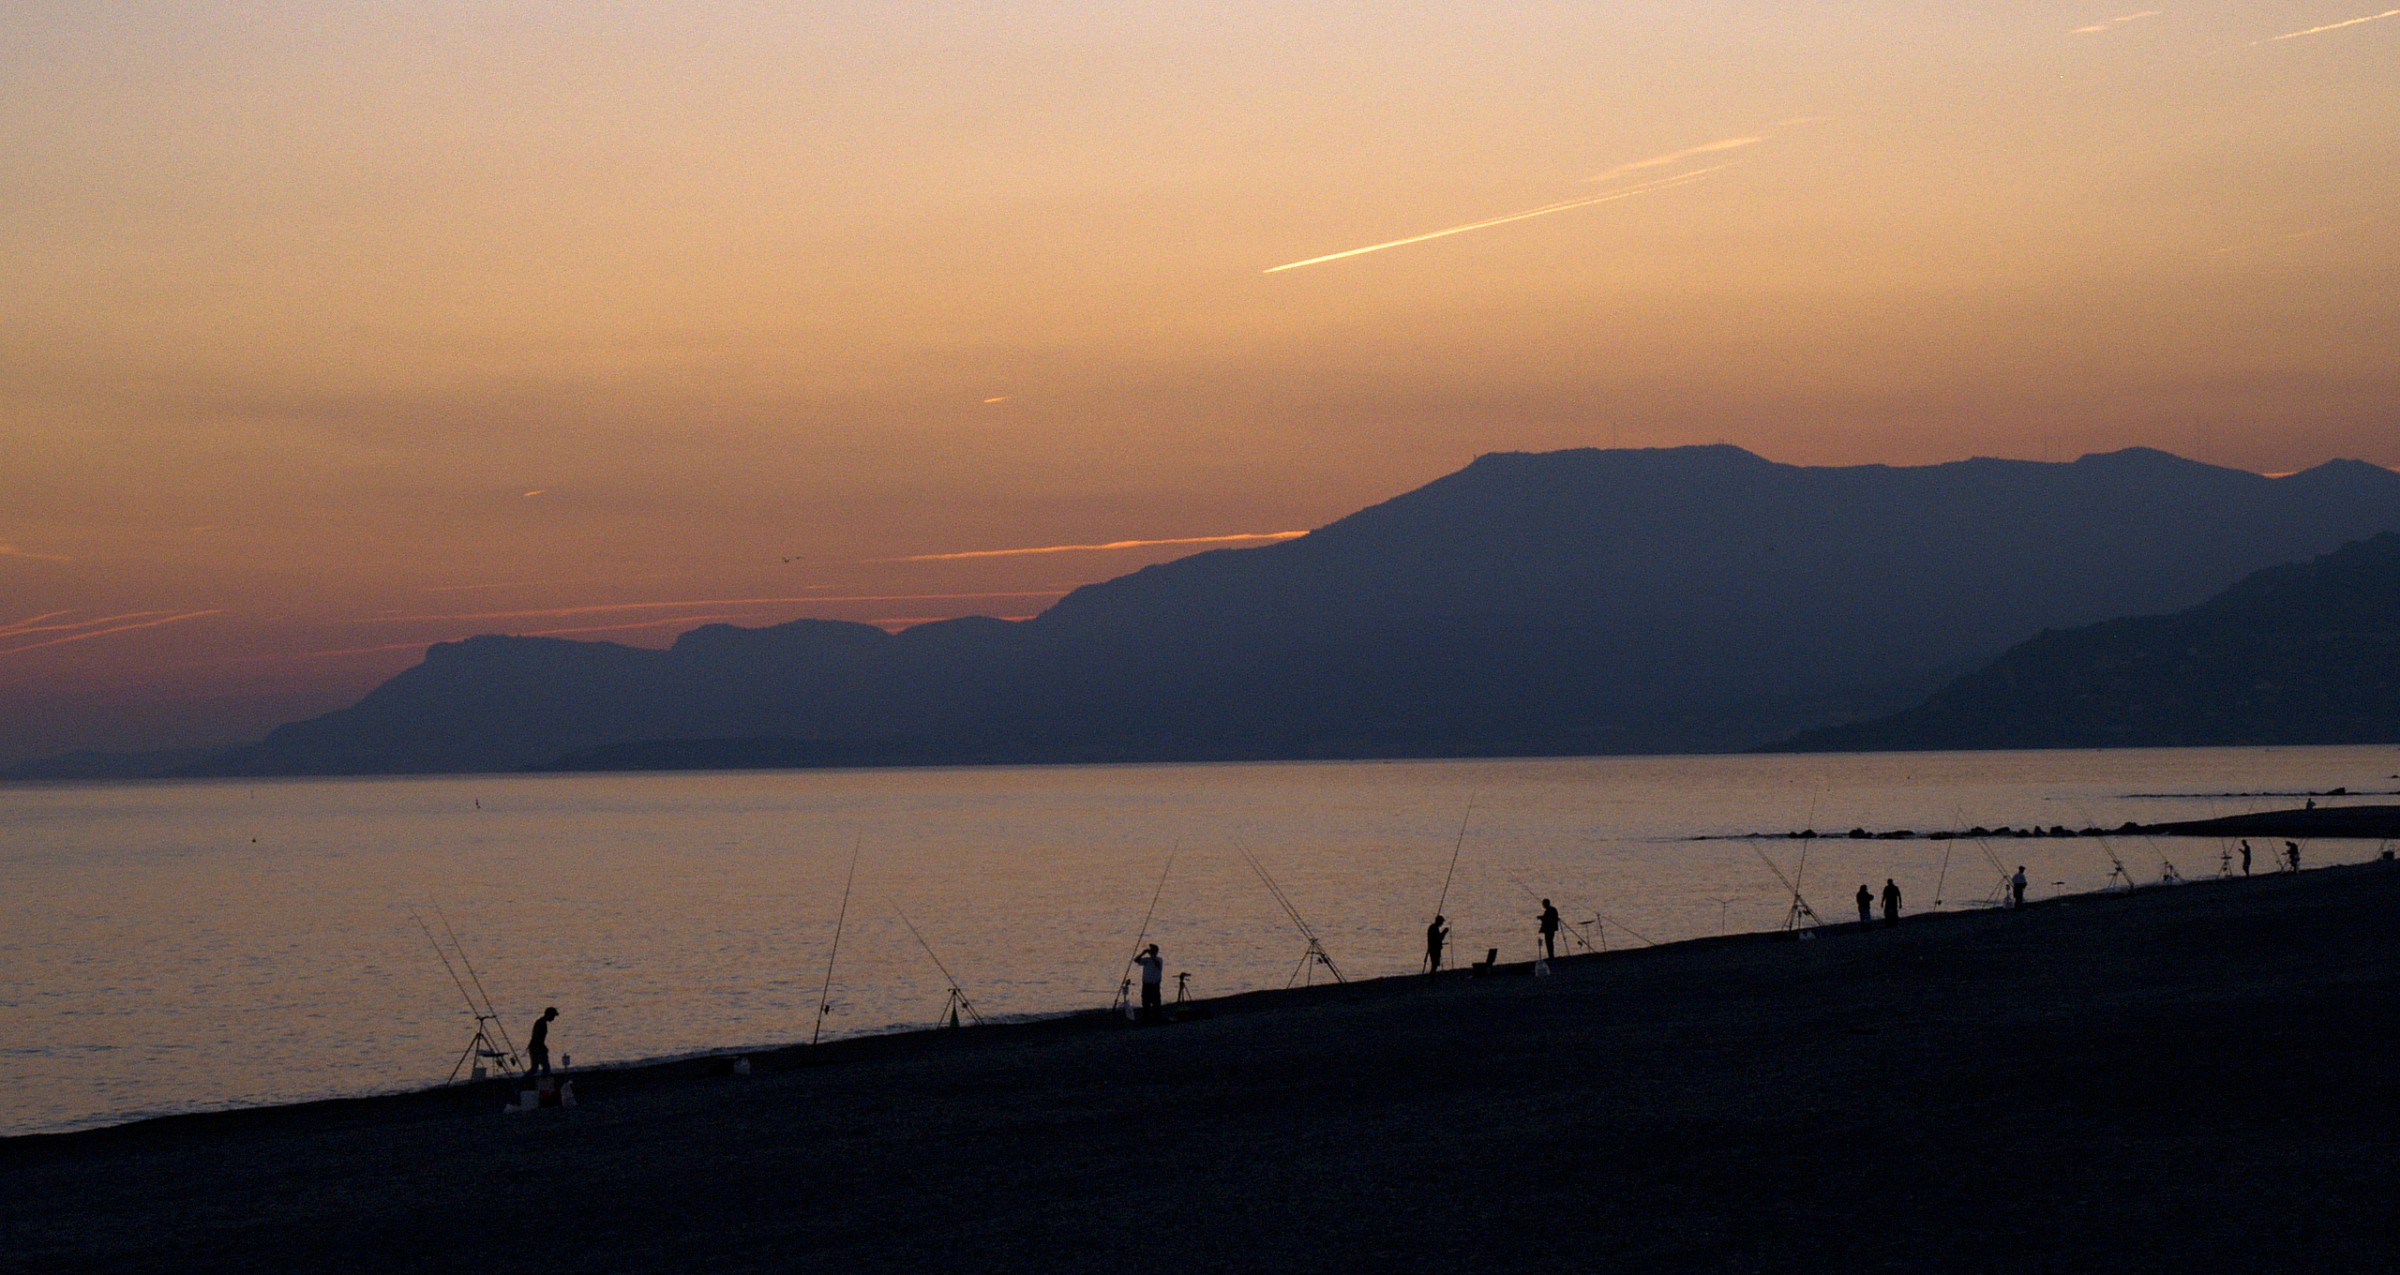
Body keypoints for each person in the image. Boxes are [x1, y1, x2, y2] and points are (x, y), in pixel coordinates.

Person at [1132, 944, 1164, 1025]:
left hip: (1154, 985)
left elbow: (1157, 964)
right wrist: (1142, 953)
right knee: (1145, 1002)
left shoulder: (1159, 959)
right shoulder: (1146, 960)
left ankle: (1157, 1018)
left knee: (1156, 1002)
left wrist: (1151, 954)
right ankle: (1146, 1019)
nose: (1151, 951)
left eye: (1153, 950)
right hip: (1146, 984)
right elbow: (1136, 960)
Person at [525, 1006, 559, 1078]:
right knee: (546, 1068)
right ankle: (545, 1084)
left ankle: (519, 1084)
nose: (553, 1018)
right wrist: (543, 1048)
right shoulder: (542, 1024)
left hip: (534, 1047)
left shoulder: (540, 1022)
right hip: (537, 1048)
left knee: (534, 1069)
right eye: (553, 1016)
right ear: (549, 1015)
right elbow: (538, 1038)